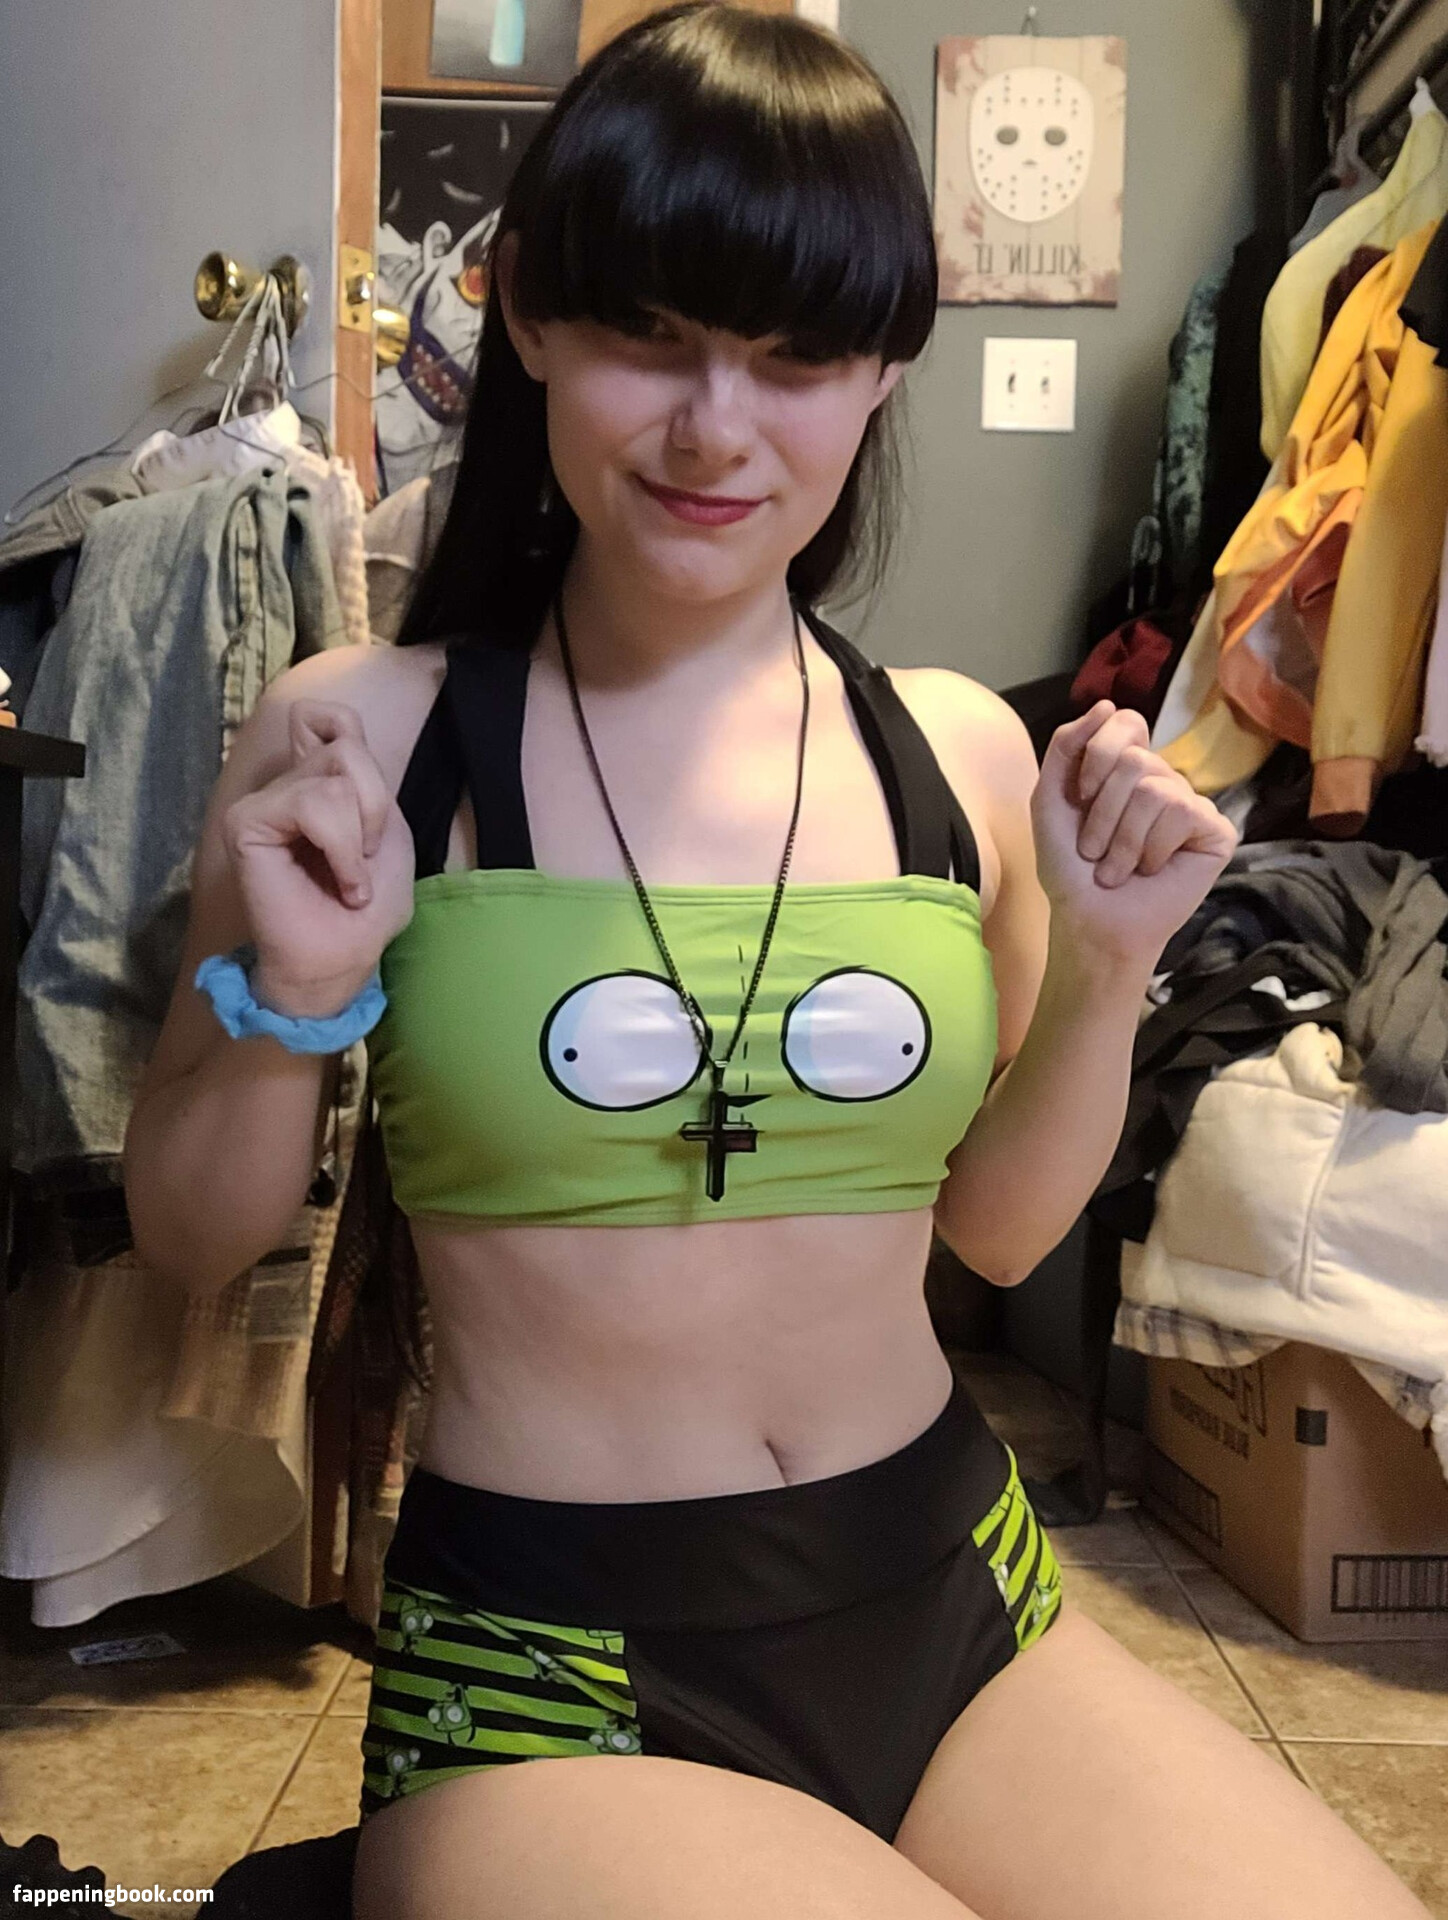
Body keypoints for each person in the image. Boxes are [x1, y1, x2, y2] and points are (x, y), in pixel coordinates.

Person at [124, 10, 1432, 1919]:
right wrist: (298, 1002)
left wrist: (1107, 964)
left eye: (796, 357)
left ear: (882, 368)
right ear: (531, 315)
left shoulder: (954, 758)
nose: (716, 427)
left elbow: (997, 1237)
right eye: (651, 335)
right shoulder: (364, 738)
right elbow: (189, 1234)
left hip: (954, 1594)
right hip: (554, 1667)